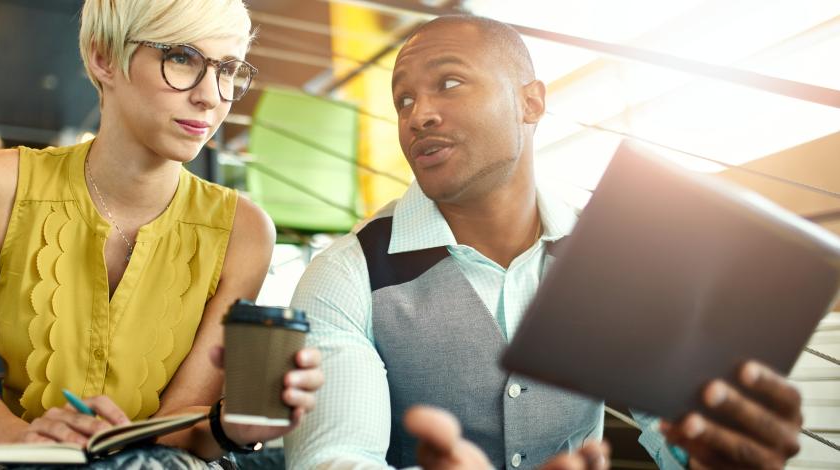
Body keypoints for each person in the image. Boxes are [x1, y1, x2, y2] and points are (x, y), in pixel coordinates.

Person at [285, 14, 803, 470]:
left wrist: (717, 456)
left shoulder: (610, 260)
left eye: (448, 82)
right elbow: (333, 458)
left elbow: (681, 431)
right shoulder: (346, 273)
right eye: (403, 99)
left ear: (531, 102)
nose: (418, 114)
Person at [0, 0, 323, 466]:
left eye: (228, 69)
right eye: (182, 58)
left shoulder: (246, 230)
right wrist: (25, 439)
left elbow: (183, 424)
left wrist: (231, 426)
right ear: (103, 57)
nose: (212, 96)